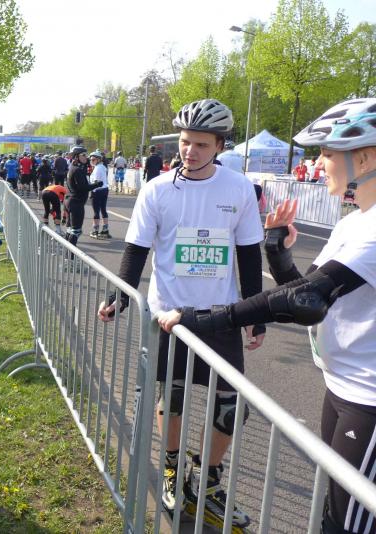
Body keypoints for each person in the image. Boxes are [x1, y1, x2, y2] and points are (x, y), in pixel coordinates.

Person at [157, 98, 376, 534]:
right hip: (341, 386)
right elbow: (309, 297)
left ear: (366, 159)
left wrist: (204, 319)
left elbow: (304, 298)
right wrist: (277, 250)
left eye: (327, 153)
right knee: (333, 510)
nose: (318, 164)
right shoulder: (355, 222)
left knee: (348, 522)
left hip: (368, 397)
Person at [97, 98, 265, 528]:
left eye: (201, 144)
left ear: (220, 146)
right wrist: (119, 296)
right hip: (168, 316)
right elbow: (136, 249)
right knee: (171, 400)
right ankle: (172, 470)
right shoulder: (157, 189)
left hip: (221, 316)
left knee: (232, 409)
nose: (190, 151)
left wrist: (255, 314)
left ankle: (204, 482)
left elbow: (249, 255)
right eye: (186, 142)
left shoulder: (239, 188)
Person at [64, 146, 101, 251]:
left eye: (86, 155)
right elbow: (83, 188)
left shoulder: (72, 167)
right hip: (76, 202)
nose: (86, 157)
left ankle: (67, 256)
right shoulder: (77, 170)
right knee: (76, 231)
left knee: (70, 230)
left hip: (70, 201)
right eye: (83, 155)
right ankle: (69, 258)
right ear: (76, 156)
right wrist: (97, 184)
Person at [88, 150, 111, 239]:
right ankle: (105, 230)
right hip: (105, 189)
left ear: (98, 159)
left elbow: (96, 182)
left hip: (97, 190)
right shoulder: (103, 167)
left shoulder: (97, 168)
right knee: (103, 209)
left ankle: (95, 231)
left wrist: (91, 190)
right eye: (91, 159)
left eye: (93, 159)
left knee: (96, 211)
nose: (91, 161)